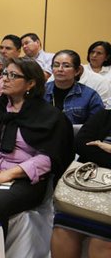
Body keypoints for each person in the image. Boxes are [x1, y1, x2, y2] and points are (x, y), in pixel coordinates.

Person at [0, 57, 74, 234]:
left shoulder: (49, 116)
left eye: (13, 75)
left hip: (24, 177)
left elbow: (48, 158)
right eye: (5, 73)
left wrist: (8, 174)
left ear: (30, 83)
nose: (5, 79)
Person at [51, 109, 111, 258]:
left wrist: (105, 147)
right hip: (89, 183)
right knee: (63, 229)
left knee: (101, 240)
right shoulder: (105, 115)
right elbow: (82, 144)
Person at [44, 50, 103, 125]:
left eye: (66, 66)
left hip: (77, 136)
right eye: (56, 65)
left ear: (77, 71)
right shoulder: (40, 91)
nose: (60, 69)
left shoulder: (90, 96)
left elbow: (97, 126)